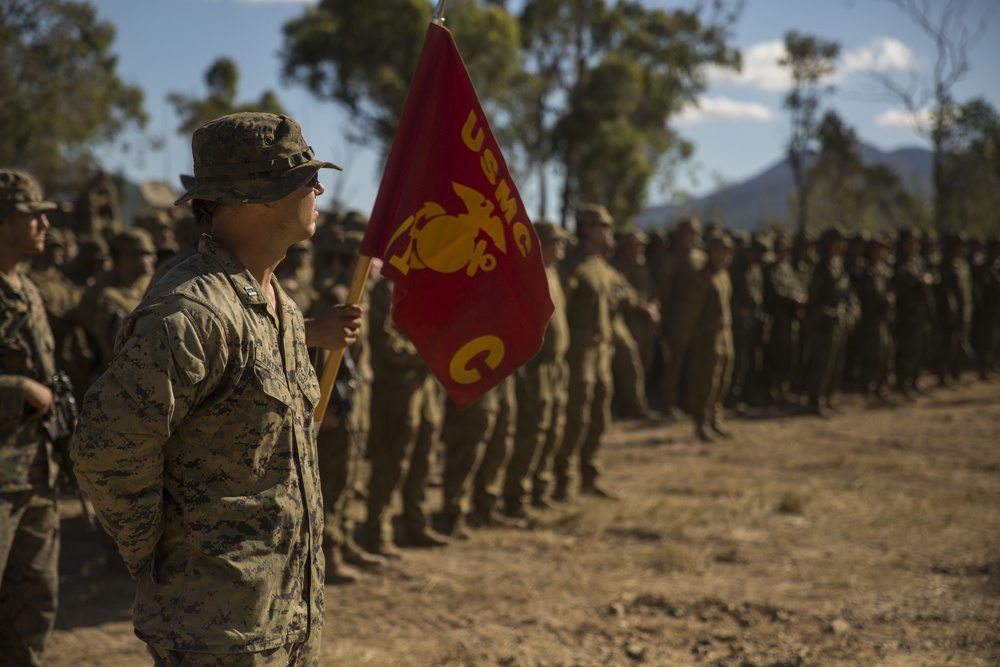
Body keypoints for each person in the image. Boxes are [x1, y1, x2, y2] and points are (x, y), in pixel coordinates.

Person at [71, 112, 362, 666]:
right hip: (215, 631)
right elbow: (106, 446)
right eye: (305, 178)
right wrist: (156, 552)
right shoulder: (193, 312)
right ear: (261, 196)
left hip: (281, 617)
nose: (318, 188)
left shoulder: (276, 305)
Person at [0, 169, 64, 667]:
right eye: (33, 214)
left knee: (34, 605)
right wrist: (16, 389)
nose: (44, 223)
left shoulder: (30, 292)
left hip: (36, 475)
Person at [502, 220, 571, 516]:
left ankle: (539, 488)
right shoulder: (528, 275)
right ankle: (517, 495)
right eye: (556, 241)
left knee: (552, 430)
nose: (562, 246)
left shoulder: (554, 275)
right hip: (536, 367)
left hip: (557, 367)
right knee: (532, 432)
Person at [688, 231, 735, 442]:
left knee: (723, 377)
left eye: (727, 252)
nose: (724, 255)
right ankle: (701, 423)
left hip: (725, 332)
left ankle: (715, 418)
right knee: (707, 380)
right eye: (720, 251)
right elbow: (694, 310)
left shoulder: (724, 275)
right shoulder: (702, 277)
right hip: (709, 335)